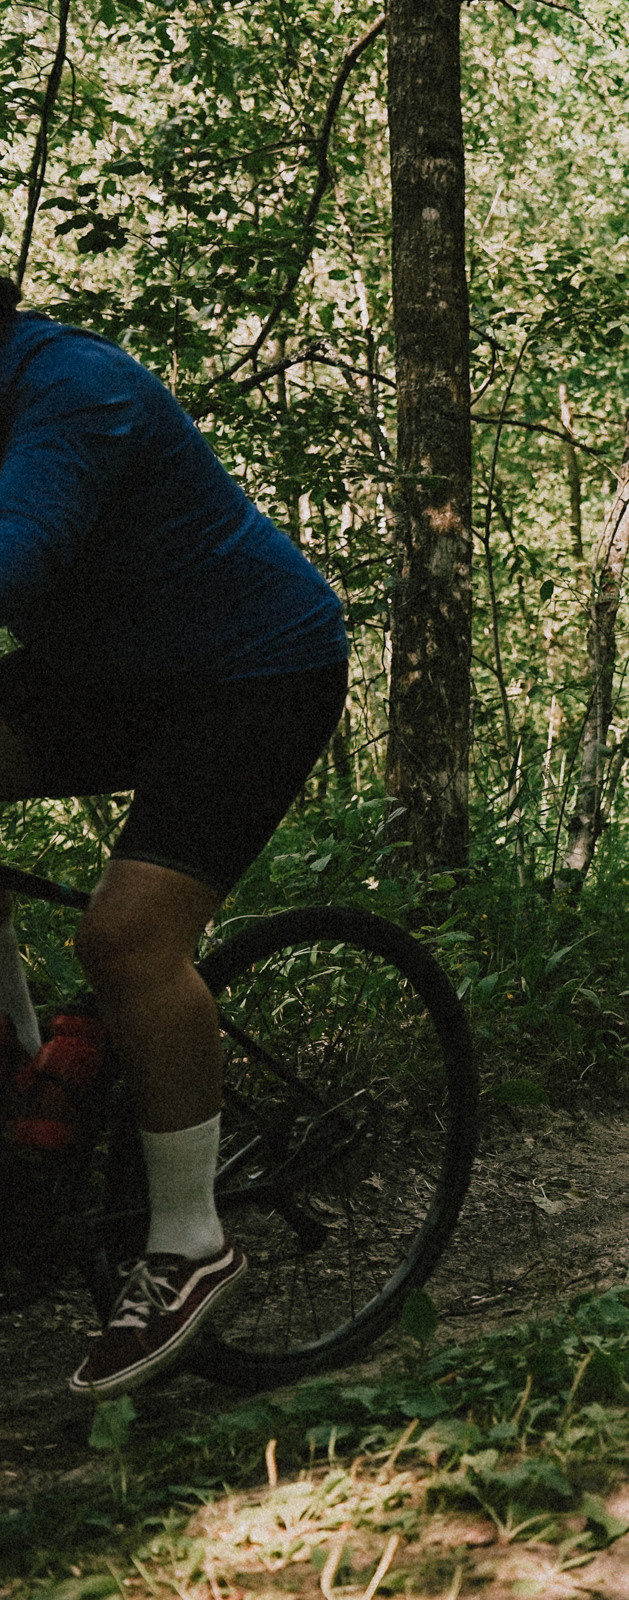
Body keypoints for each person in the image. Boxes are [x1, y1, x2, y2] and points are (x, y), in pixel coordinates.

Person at [0, 277, 350, 1399]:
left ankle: (192, 1243)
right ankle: (25, 1091)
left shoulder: (76, 387)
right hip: (106, 671)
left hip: (253, 671)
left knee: (129, 939)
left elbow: (15, 557)